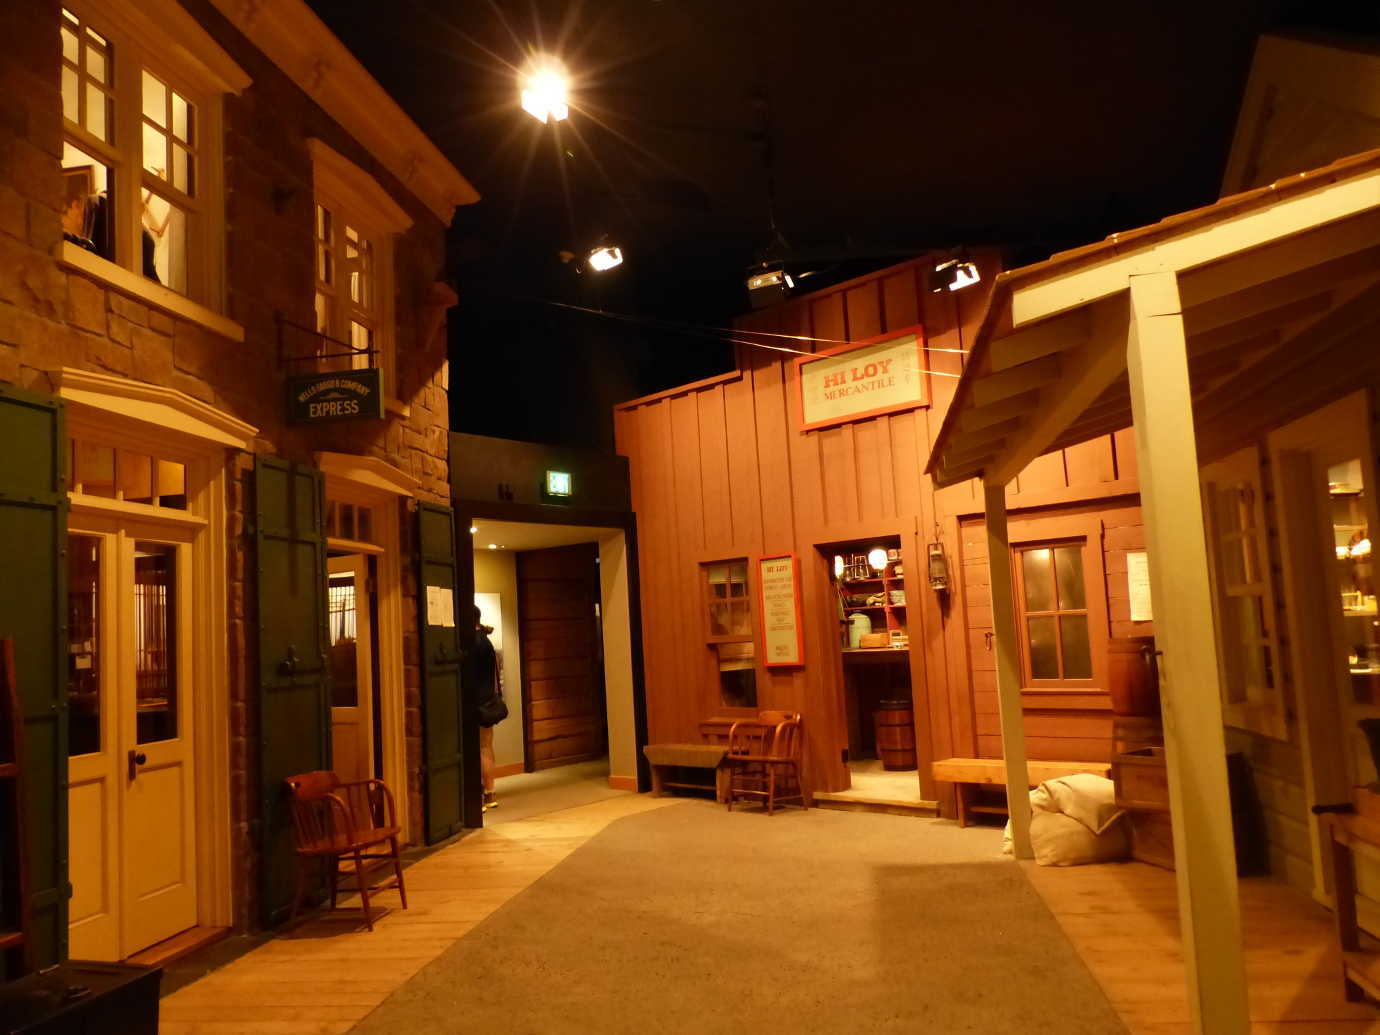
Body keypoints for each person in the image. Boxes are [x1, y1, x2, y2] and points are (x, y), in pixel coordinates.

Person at [471, 605, 503, 810]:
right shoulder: (486, 640)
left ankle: (478, 796)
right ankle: (490, 793)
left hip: (475, 702)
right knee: (487, 747)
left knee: (478, 749)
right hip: (488, 700)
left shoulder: (472, 643)